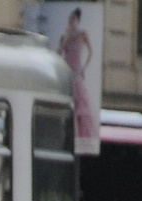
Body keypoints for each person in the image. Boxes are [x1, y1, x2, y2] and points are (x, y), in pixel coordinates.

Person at [57, 9, 95, 147]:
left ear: (78, 20)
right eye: (70, 19)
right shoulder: (64, 36)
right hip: (67, 73)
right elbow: (59, 53)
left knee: (80, 105)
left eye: (73, 19)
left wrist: (84, 68)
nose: (71, 22)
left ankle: (81, 138)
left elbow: (91, 52)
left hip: (77, 73)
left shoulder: (82, 35)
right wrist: (66, 37)